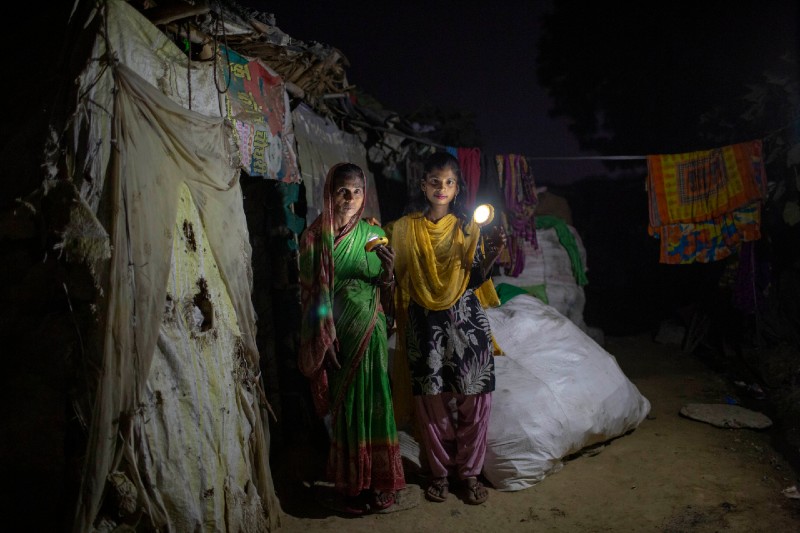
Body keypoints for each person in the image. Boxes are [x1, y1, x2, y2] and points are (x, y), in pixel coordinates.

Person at [385, 151, 507, 505]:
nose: (442, 188)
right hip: (425, 324)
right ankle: (439, 474)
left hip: (466, 322)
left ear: (457, 188)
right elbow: (392, 279)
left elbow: (476, 279)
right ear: (423, 185)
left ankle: (468, 474)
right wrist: (386, 267)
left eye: (449, 183)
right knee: (431, 402)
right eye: (435, 182)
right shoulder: (402, 229)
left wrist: (494, 252)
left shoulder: (469, 226)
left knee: (475, 399)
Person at [298, 162, 405, 514]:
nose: (350, 198)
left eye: (357, 192)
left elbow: (385, 289)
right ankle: (351, 486)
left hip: (370, 334)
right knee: (347, 410)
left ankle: (380, 482)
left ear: (365, 195)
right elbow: (313, 297)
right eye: (343, 190)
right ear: (329, 192)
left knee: (376, 403)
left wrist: (389, 274)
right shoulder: (315, 238)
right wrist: (324, 338)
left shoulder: (373, 235)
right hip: (338, 338)